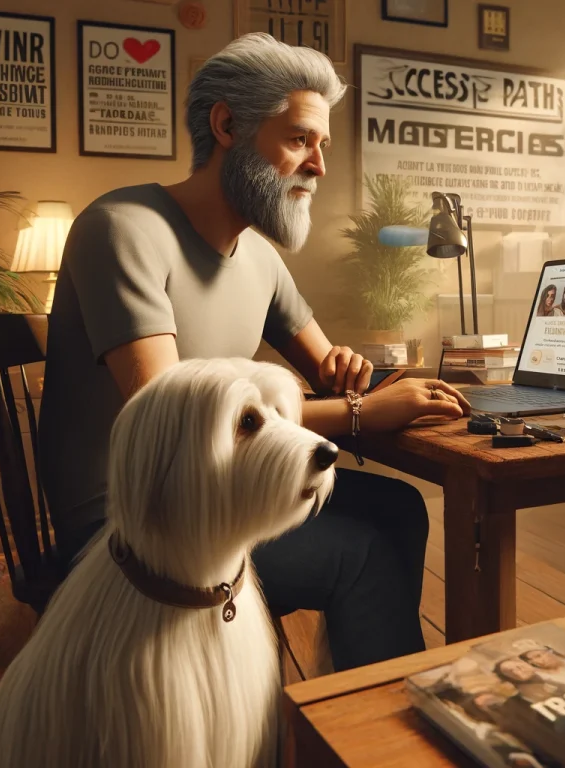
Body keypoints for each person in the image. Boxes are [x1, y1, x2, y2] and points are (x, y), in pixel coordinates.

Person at [37, 33, 470, 672]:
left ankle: (349, 702)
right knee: (361, 551)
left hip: (220, 493)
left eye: (322, 145)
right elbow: (172, 414)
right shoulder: (121, 227)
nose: (319, 166)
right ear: (228, 126)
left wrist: (348, 375)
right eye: (299, 139)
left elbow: (328, 368)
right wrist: (360, 416)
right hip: (128, 523)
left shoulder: (261, 258)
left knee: (398, 508)